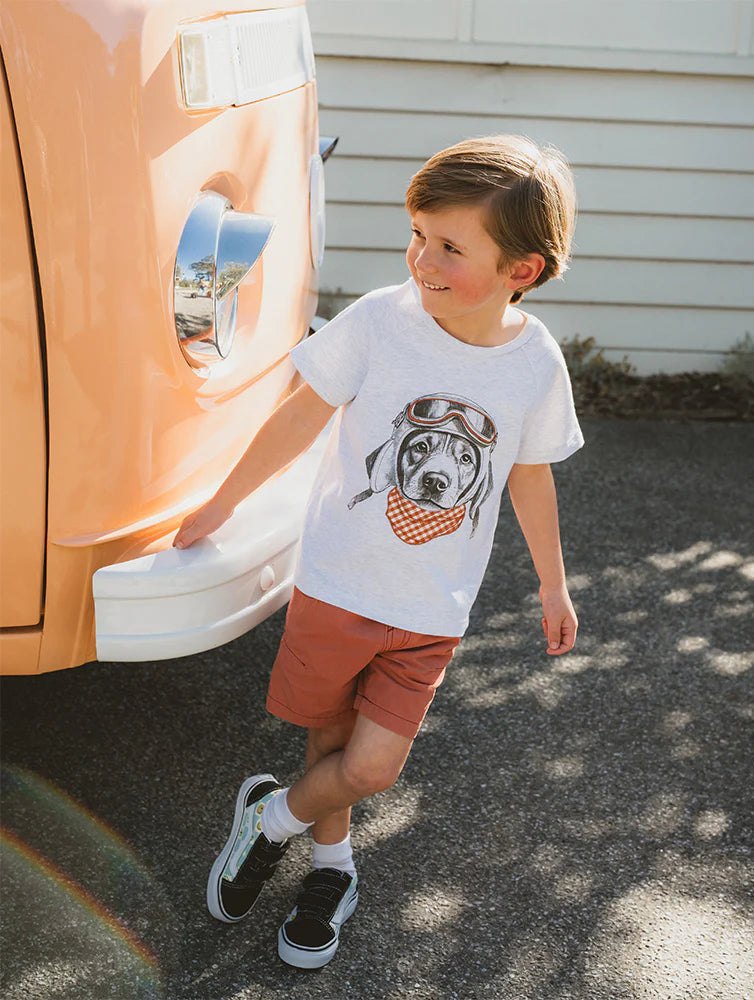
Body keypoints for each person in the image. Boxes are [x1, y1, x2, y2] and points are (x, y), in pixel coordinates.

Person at [173, 134, 584, 969]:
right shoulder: (379, 321)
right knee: (328, 749)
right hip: (336, 586)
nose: (422, 260)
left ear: (522, 270)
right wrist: (222, 502)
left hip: (430, 608)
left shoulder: (534, 363)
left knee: (372, 766)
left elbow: (529, 476)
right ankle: (332, 866)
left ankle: (269, 821)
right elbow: (299, 415)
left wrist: (554, 586)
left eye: (451, 248)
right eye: (418, 235)